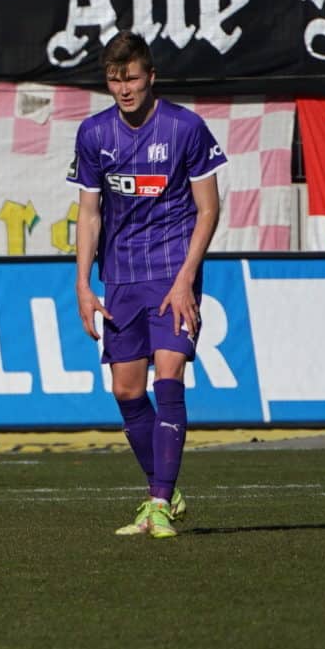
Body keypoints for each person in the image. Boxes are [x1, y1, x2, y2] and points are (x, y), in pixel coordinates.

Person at [69, 31, 225, 540]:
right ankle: (166, 491)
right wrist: (83, 285)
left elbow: (209, 209)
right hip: (121, 281)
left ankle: (157, 503)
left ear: (150, 76)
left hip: (172, 275)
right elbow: (89, 214)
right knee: (125, 389)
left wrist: (186, 281)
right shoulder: (94, 135)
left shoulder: (185, 127)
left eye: (132, 78)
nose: (124, 89)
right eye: (115, 81)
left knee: (169, 376)